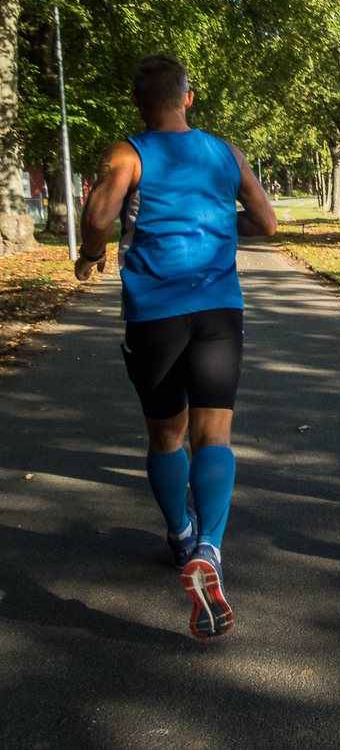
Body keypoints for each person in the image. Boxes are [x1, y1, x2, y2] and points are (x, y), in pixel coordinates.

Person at [74, 55, 277, 638]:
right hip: (218, 310)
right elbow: (266, 223)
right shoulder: (224, 152)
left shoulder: (127, 153)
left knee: (166, 434)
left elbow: (99, 217)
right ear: (188, 99)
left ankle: (179, 536)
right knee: (214, 434)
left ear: (136, 100)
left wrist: (93, 255)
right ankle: (208, 550)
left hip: (155, 315)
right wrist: (214, 224)